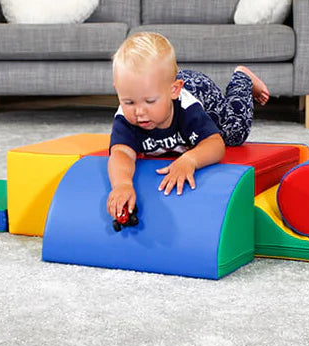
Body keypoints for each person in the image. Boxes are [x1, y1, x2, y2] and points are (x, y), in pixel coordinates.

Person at [107, 31, 269, 220]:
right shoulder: (125, 118)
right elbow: (121, 153)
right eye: (129, 102)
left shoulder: (187, 109)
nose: (139, 112)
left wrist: (190, 160)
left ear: (174, 90)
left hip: (200, 90)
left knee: (234, 133)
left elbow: (215, 144)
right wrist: (122, 184)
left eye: (150, 101)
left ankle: (242, 79)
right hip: (164, 84)